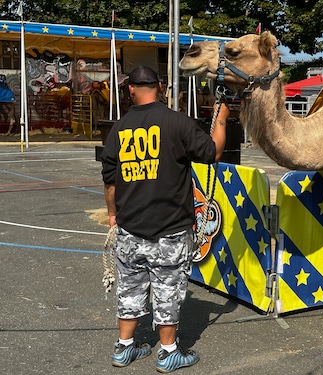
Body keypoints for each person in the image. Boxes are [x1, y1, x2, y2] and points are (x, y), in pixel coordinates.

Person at [100, 65, 229, 373]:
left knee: (129, 287)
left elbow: (110, 181)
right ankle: (169, 351)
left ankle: (125, 347)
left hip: (130, 227)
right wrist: (222, 116)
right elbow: (212, 152)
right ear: (159, 86)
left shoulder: (119, 128)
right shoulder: (177, 122)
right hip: (170, 229)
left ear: (130, 89)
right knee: (168, 288)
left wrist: (113, 215)